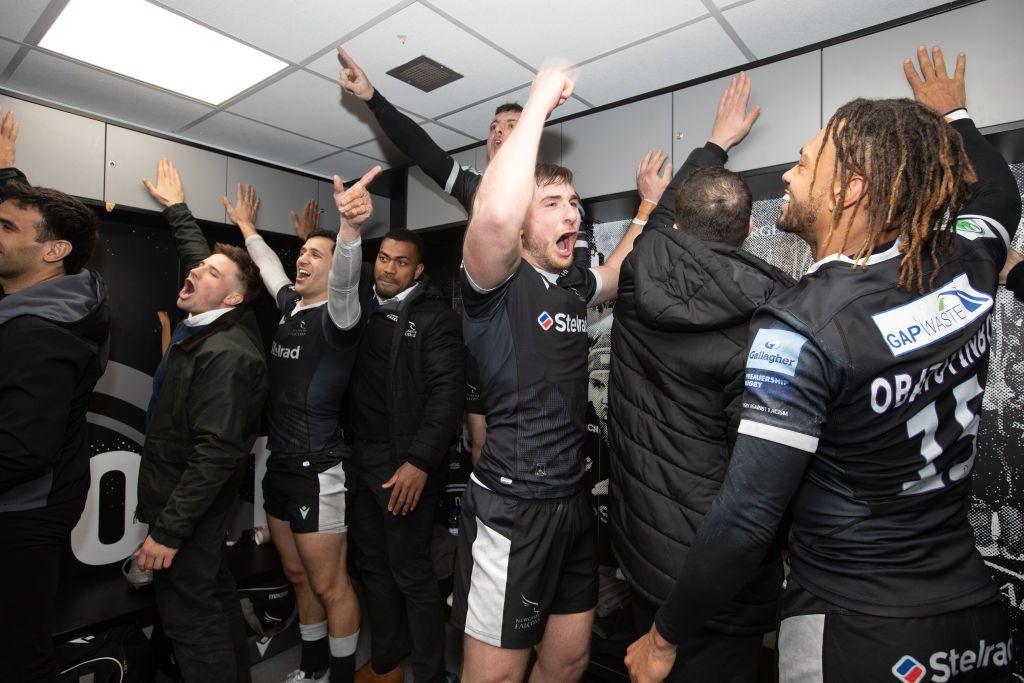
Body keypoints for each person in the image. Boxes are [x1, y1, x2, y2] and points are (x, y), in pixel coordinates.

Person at [625, 46, 1022, 682]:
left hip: (852, 626)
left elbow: (747, 517)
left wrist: (664, 637)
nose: (787, 175)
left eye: (806, 164)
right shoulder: (963, 267)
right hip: (971, 619)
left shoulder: (799, 327)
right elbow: (1000, 195)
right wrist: (956, 117)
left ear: (849, 189)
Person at [454, 68, 644, 683]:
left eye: (574, 203)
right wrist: (538, 103)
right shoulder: (493, 284)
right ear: (522, 222)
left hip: (570, 503)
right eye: (554, 204)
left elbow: (612, 274)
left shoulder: (568, 288)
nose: (573, 213)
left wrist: (646, 208)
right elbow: (489, 221)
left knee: (567, 662)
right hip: (512, 508)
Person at [609, 73, 794, 683]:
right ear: (745, 234)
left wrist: (714, 143)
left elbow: (661, 218)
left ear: (679, 229)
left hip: (644, 555)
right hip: (720, 583)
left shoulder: (639, 272)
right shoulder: (776, 321)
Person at [225, 167, 381, 683]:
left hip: (320, 470)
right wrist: (248, 229)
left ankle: (339, 678)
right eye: (303, 252)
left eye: (316, 253)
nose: (303, 258)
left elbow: (345, 274)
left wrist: (349, 232)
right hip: (280, 468)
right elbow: (270, 268)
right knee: (297, 576)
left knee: (331, 584)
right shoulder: (292, 308)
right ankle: (312, 670)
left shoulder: (340, 316)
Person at [136, 158, 269, 683]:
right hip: (191, 509)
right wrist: (176, 209)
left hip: (187, 511)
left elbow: (217, 454)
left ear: (233, 297)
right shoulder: (217, 318)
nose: (196, 271)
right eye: (200, 267)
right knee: (212, 602)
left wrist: (168, 533)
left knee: (192, 620)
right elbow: (202, 260)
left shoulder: (230, 354)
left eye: (212, 273)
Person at [0, 108, 110, 683]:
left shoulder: (41, 334)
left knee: (16, 658)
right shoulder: (50, 303)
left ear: (53, 253)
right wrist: (9, 176)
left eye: (4, 228)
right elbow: (28, 224)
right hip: (32, 503)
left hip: (21, 514)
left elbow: (22, 449)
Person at [336, 46, 590, 269]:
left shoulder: (557, 194)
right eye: (494, 126)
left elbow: (578, 265)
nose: (498, 130)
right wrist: (372, 97)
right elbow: (421, 148)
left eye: (512, 125)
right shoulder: (474, 185)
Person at [346, 225, 466, 683]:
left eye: (401, 262)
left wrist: (418, 462)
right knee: (373, 568)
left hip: (406, 466)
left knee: (411, 574)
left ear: (417, 270)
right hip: (363, 461)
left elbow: (447, 394)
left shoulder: (435, 318)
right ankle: (388, 666)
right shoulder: (360, 308)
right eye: (383, 258)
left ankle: (431, 675)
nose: (389, 268)